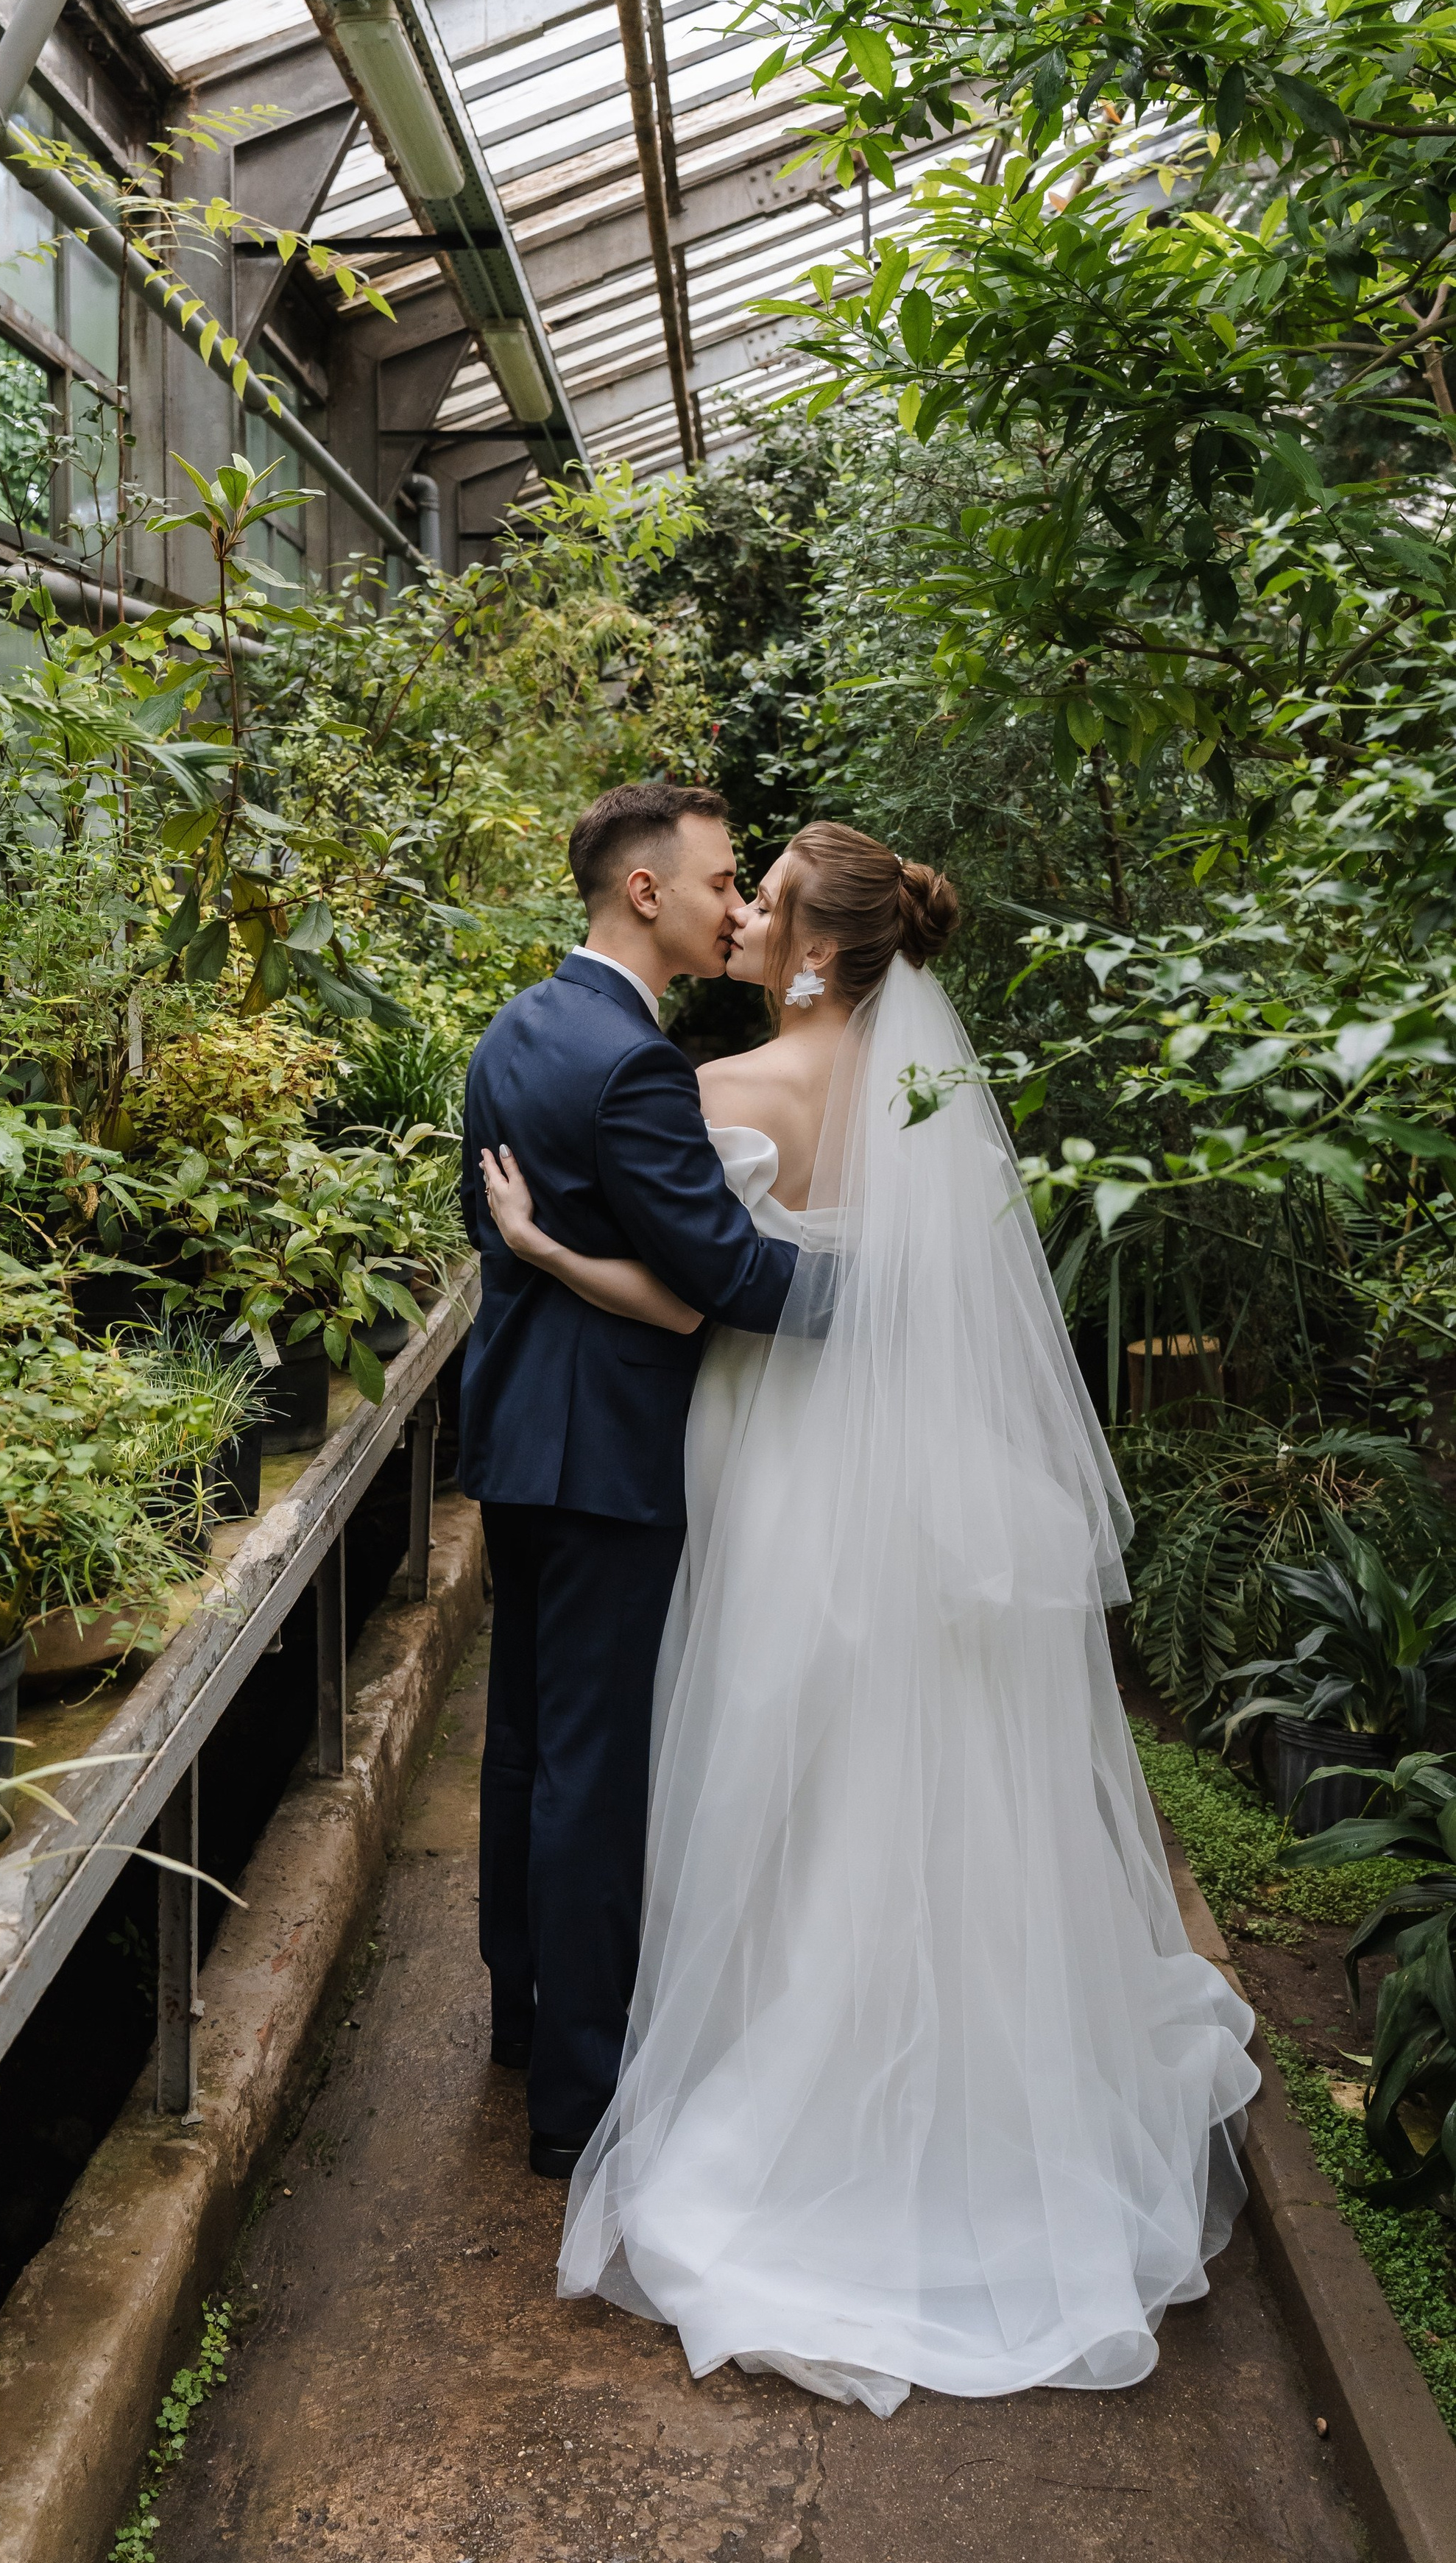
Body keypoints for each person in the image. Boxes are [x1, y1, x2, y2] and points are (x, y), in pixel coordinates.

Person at [478, 821, 1258, 2412]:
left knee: (755, 1738)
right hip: (895, 1457)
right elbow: (923, 1289)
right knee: (892, 1744)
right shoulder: (930, 1104)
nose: (740, 913)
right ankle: (938, 2058)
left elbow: (705, 1293)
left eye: (758, 900)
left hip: (769, 1447)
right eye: (731, 888)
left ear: (814, 954)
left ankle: (739, 2053)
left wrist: (547, 1247)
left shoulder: (715, 1091)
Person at [458, 783, 804, 2180]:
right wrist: (895, 1290)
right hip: (608, 1455)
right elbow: (723, 1271)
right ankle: (579, 2109)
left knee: (527, 1744)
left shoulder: (517, 1028)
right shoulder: (636, 1065)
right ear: (645, 893)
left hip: (520, 1438)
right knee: (595, 1773)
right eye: (724, 882)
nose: (737, 906)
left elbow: (497, 1231)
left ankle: (522, 2022)